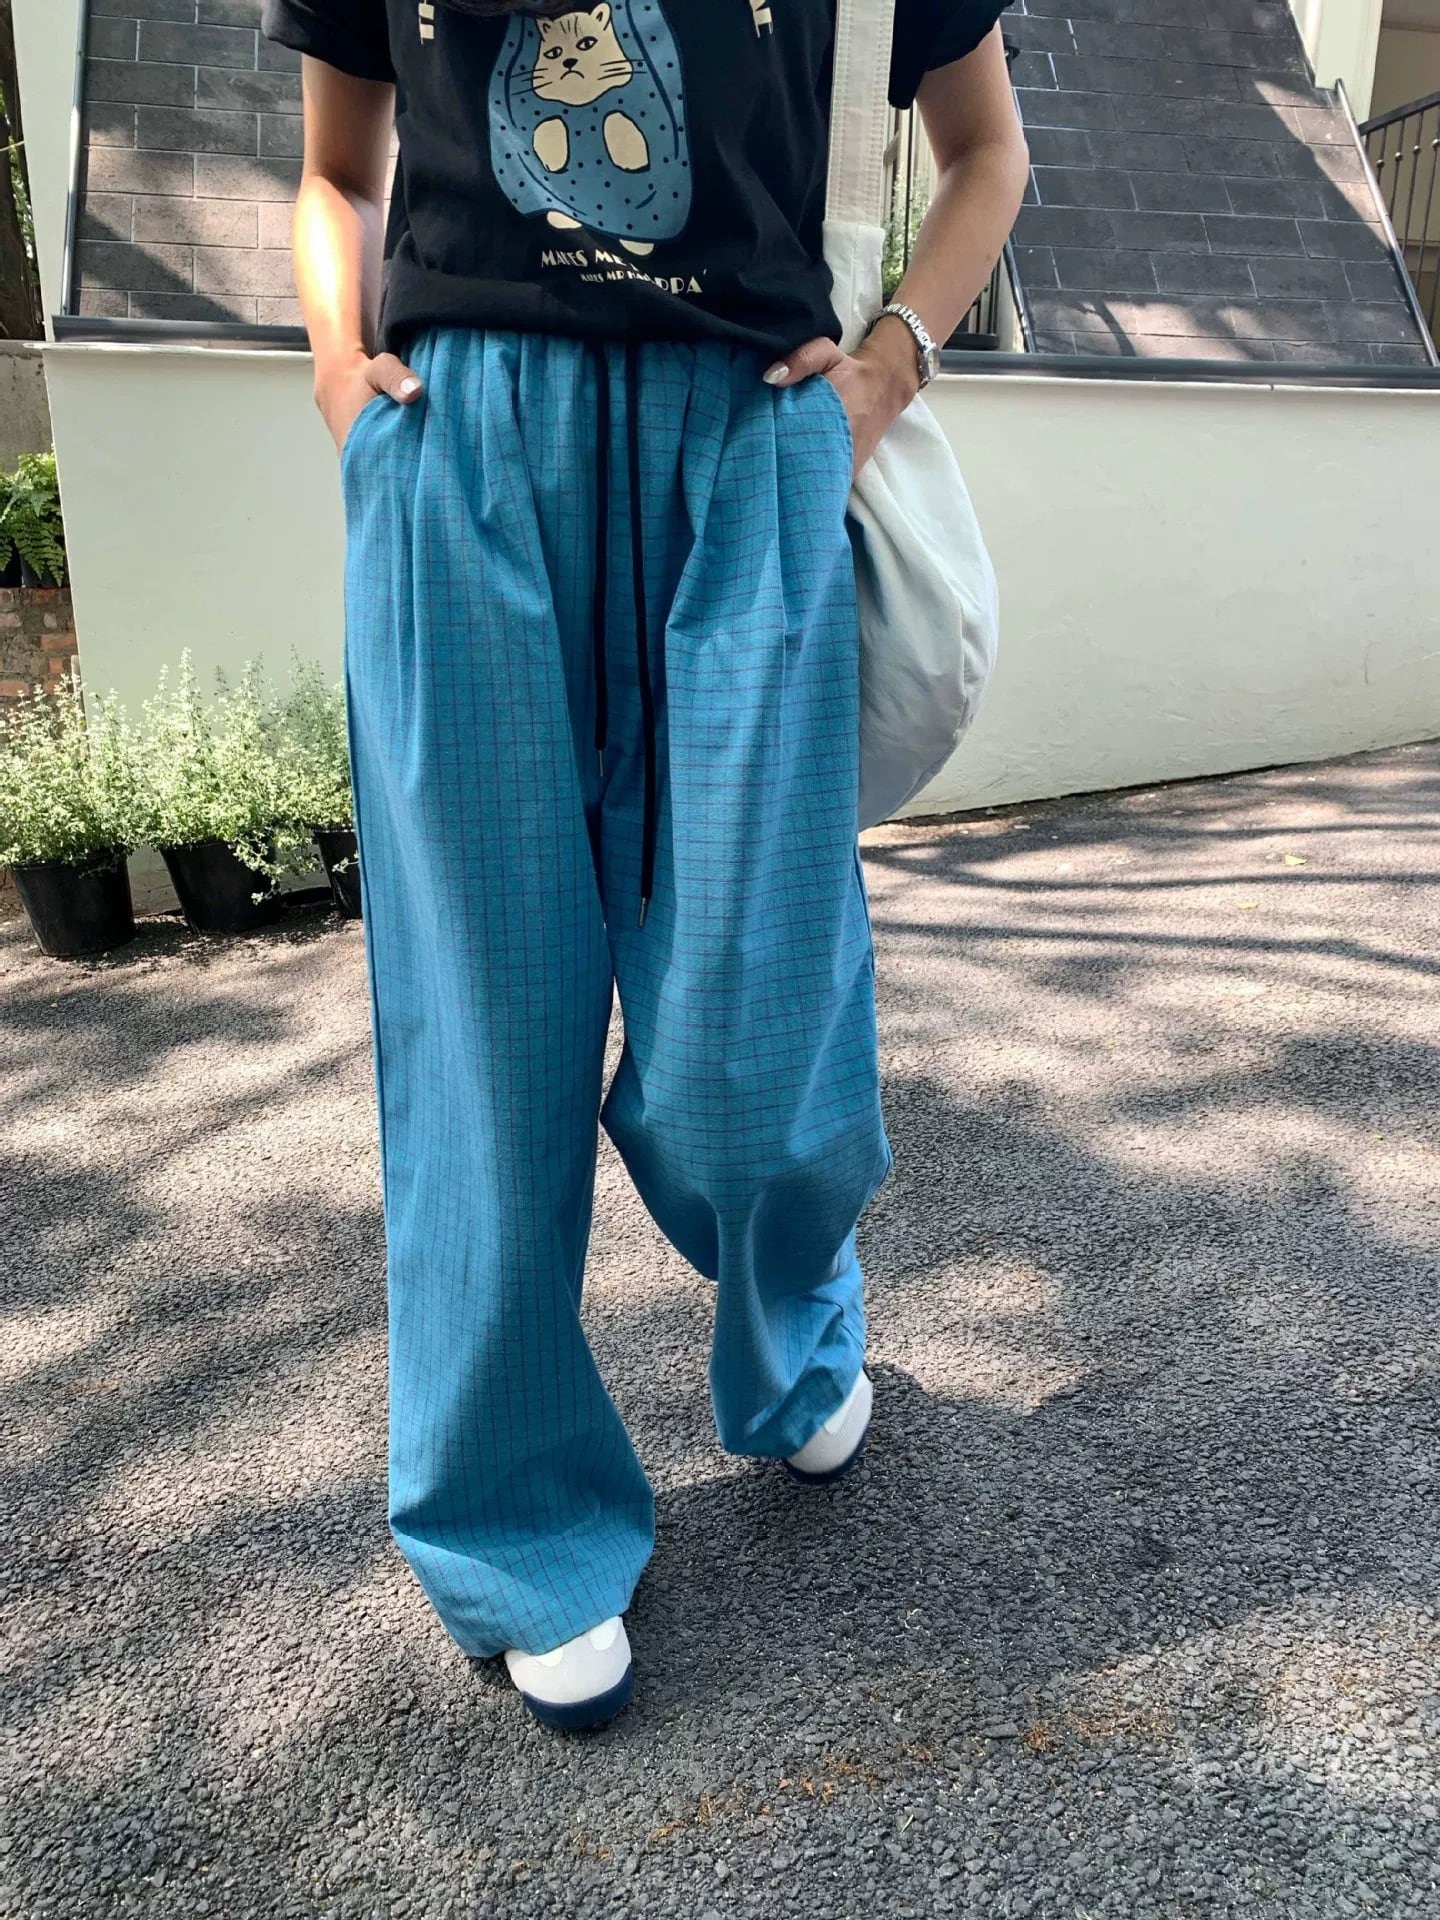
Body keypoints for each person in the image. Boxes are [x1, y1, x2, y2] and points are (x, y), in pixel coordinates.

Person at [262, 0, 1027, 1731]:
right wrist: (339, 376)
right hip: (465, 447)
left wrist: (891, 366)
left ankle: (793, 1327)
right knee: (483, 1040)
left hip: (746, 442)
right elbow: (337, 171)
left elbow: (987, 151)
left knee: (759, 1035)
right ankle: (514, 1519)